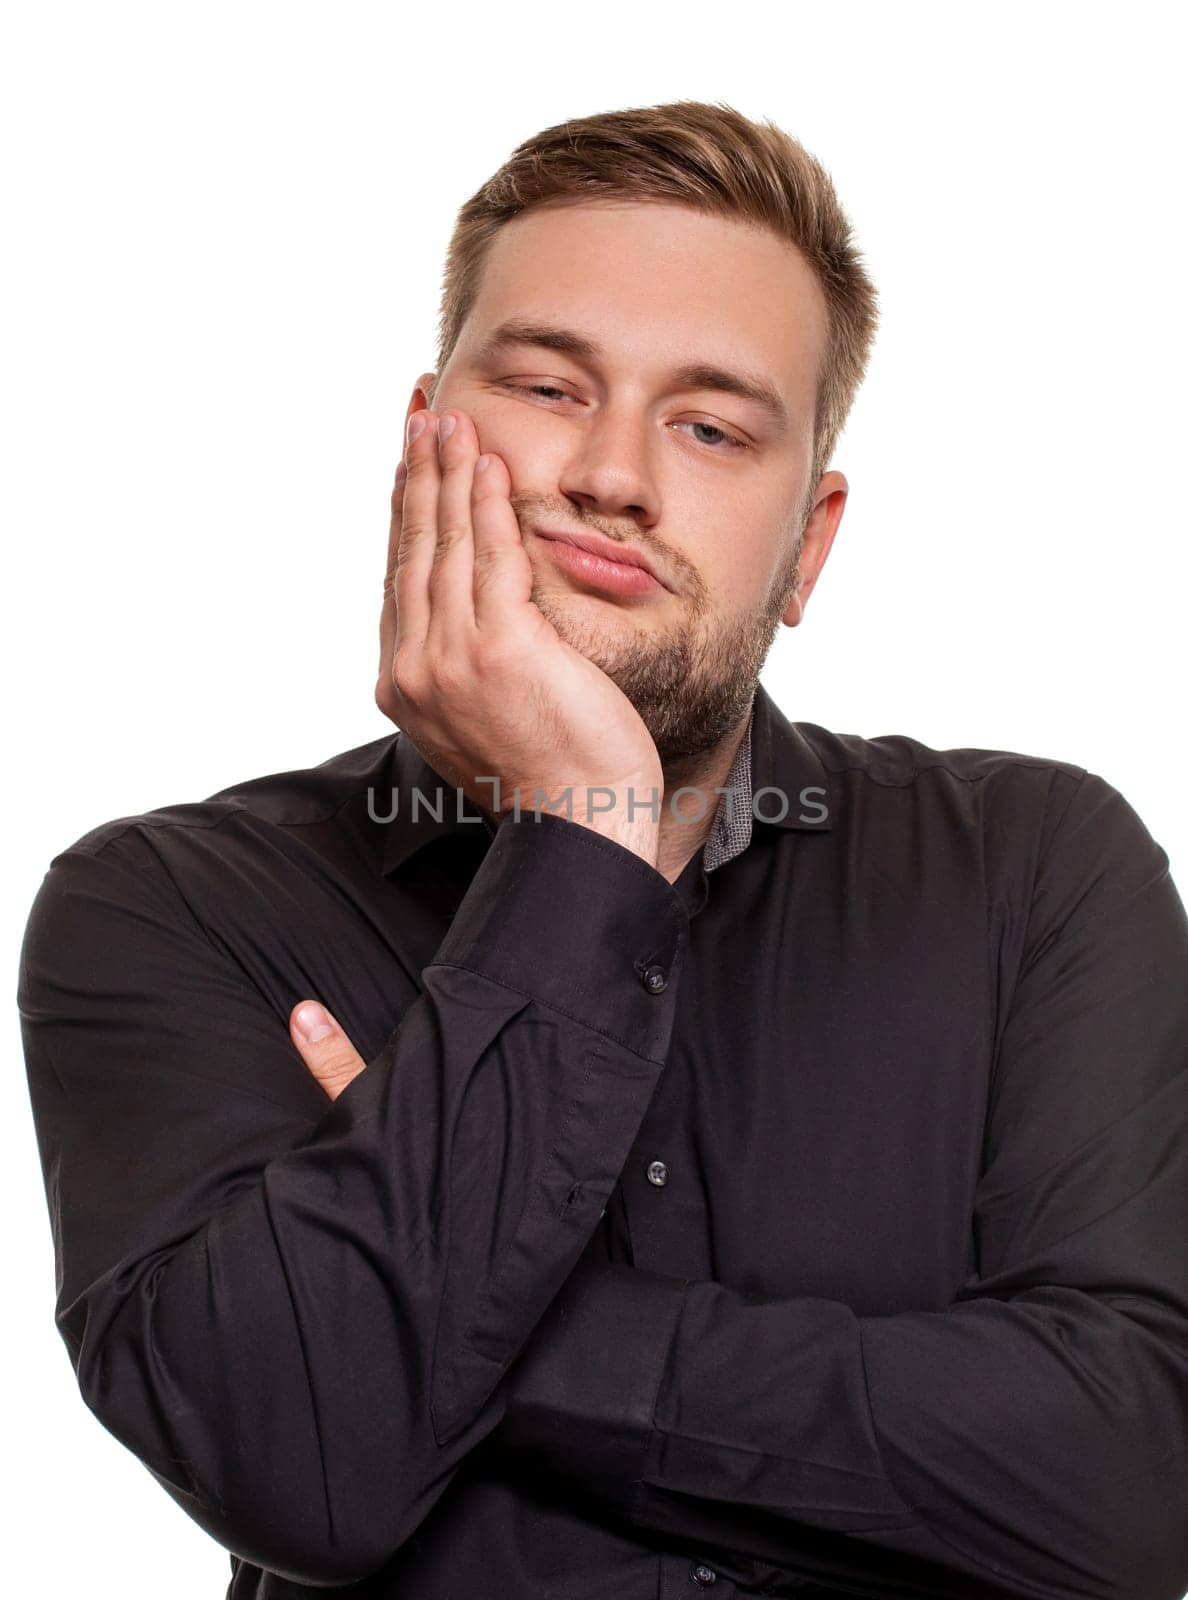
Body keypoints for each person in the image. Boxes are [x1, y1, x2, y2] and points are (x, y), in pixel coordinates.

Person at [18, 99, 1188, 1600]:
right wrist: (583, 823)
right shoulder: (168, 907)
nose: (615, 477)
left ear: (809, 547)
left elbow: (1133, 1483)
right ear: (422, 442)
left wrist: (463, 1311)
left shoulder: (1034, 868)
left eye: (710, 426)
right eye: (550, 387)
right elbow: (296, 1455)